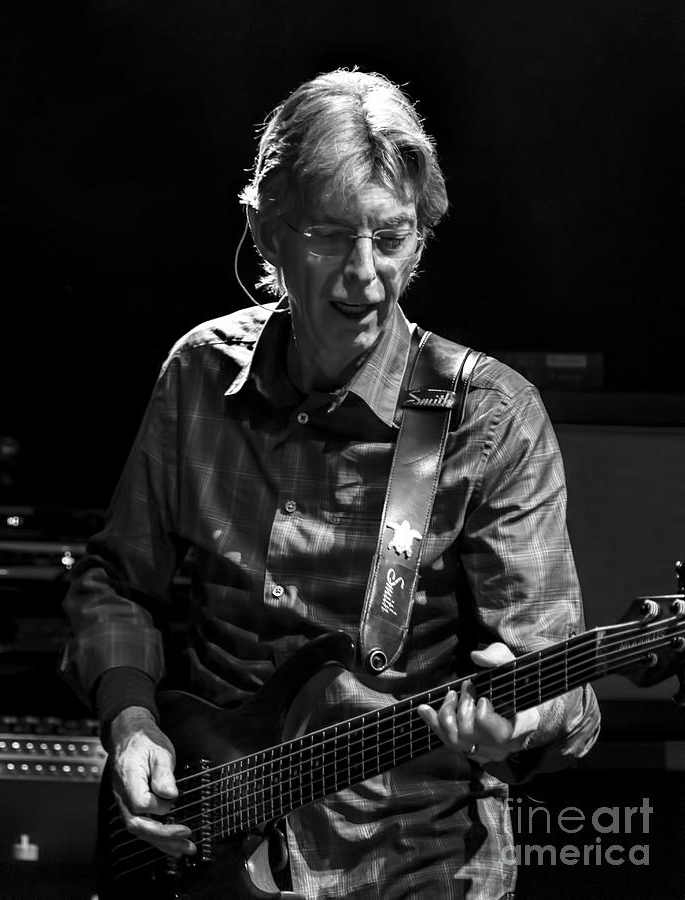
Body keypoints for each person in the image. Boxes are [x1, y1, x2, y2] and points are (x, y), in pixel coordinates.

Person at [61, 68, 600, 899]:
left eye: (391, 238)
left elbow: (559, 680)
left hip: (415, 867)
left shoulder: (485, 418)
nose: (363, 276)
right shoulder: (198, 374)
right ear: (267, 234)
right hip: (198, 860)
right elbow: (115, 582)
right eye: (328, 236)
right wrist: (132, 719)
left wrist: (513, 722)